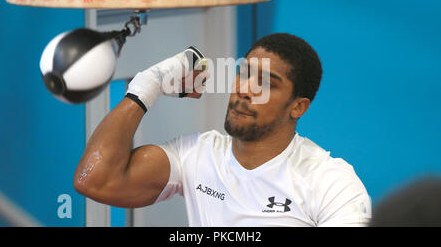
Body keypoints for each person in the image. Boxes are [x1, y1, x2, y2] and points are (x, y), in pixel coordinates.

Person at [74, 33, 371, 227]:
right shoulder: (195, 153)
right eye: (244, 73)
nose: (244, 90)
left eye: (265, 83)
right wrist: (145, 88)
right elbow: (95, 181)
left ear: (298, 107)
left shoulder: (330, 181)